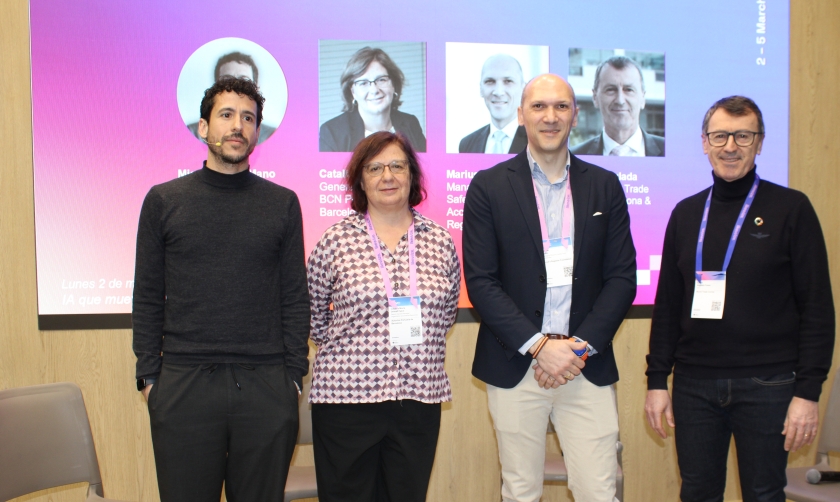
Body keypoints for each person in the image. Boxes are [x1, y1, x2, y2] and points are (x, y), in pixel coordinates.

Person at [644, 96, 835, 502]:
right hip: (694, 384)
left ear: (760, 142)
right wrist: (657, 380)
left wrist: (808, 392)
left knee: (764, 494)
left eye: (743, 135)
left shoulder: (791, 209)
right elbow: (667, 307)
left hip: (769, 384)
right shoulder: (685, 213)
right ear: (704, 142)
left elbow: (817, 309)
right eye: (720, 136)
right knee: (697, 493)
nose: (730, 146)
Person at [133, 76, 309, 502]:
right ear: (203, 128)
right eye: (226, 115)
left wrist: (293, 378)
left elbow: (293, 295)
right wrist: (149, 376)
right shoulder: (164, 200)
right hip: (184, 386)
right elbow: (147, 294)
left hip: (266, 387)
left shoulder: (282, 203)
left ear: (256, 133)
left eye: (248, 118)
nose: (238, 126)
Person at [463, 74, 637, 501]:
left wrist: (577, 348)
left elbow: (621, 278)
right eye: (539, 106)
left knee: (599, 491)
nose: (550, 116)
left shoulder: (605, 185)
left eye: (561, 106)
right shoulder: (488, 186)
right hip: (516, 364)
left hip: (585, 365)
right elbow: (482, 282)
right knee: (520, 491)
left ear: (574, 116)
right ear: (522, 116)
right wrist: (541, 346)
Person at [306, 131, 459, 501]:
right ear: (360, 179)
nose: (387, 176)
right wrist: (355, 352)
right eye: (375, 168)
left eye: (397, 165)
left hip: (418, 398)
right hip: (346, 400)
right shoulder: (335, 241)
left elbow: (447, 314)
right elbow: (311, 317)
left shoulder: (440, 241)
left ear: (412, 175)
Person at [319, 47, 427, 152]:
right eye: (363, 83)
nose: (374, 90)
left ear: (394, 84)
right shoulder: (332, 132)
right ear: (353, 92)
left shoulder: (410, 123)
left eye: (381, 80)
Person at [571, 56, 664, 157]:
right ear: (595, 98)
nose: (620, 101)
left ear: (642, 98)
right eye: (611, 90)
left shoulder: (671, 152)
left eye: (629, 90)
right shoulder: (574, 157)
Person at [187, 51, 277, 143]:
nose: (235, 88)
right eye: (227, 80)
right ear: (215, 86)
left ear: (256, 88)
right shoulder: (192, 132)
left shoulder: (272, 135)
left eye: (244, 81)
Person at [458, 54, 528, 154]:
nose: (498, 92)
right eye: (490, 81)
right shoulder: (467, 144)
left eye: (508, 81)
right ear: (481, 89)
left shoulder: (538, 141)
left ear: (523, 88)